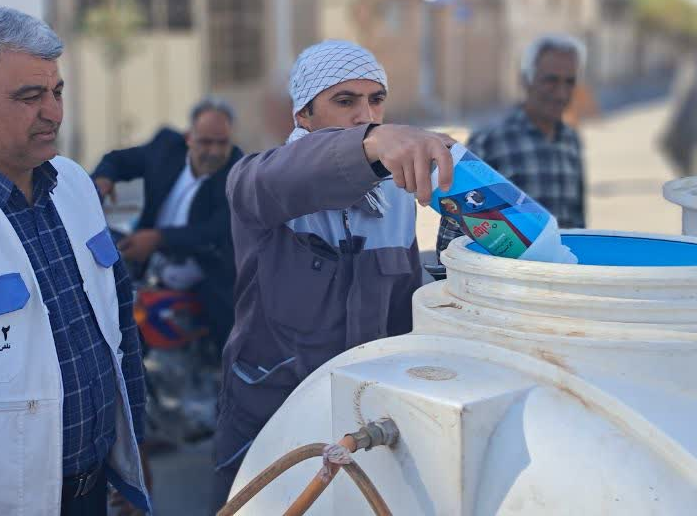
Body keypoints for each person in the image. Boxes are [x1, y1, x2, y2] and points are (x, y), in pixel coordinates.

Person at [0, 7, 149, 516]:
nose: (54, 113)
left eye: (57, 92)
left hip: (95, 490)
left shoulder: (76, 184)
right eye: (30, 96)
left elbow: (119, 323)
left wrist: (133, 455)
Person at [212, 39, 456, 510]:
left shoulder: (397, 198)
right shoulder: (265, 182)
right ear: (303, 114)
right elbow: (271, 178)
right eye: (345, 101)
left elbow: (403, 311)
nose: (366, 114)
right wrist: (372, 143)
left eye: (376, 100)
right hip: (269, 410)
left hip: (360, 416)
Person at [92, 98, 243, 360]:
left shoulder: (239, 171)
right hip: (145, 257)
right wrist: (103, 180)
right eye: (206, 142)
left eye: (222, 143)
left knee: (229, 343)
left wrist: (158, 239)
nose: (215, 151)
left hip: (205, 268)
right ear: (189, 137)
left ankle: (223, 373)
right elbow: (117, 160)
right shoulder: (167, 147)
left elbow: (215, 231)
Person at [436, 34, 587, 260]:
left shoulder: (570, 140)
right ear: (526, 79)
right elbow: (452, 237)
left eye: (569, 82)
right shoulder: (491, 141)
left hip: (564, 274)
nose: (561, 93)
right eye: (551, 81)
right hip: (507, 279)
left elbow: (578, 222)